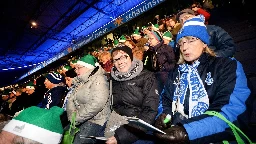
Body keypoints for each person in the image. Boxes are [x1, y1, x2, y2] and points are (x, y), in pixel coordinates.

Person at [154, 16, 254, 143]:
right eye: (181, 42)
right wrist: (163, 116)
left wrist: (187, 132)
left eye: (191, 40)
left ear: (204, 43)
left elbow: (233, 111)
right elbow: (165, 100)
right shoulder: (176, 72)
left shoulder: (227, 66)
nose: (184, 47)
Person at [106, 46, 159, 144]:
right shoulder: (112, 80)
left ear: (130, 57)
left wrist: (122, 136)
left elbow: (150, 111)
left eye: (123, 57)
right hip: (117, 124)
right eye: (116, 59)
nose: (120, 62)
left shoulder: (147, 77)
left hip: (139, 128)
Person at [66, 54, 110, 144]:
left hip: (96, 120)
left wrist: (77, 117)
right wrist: (72, 114)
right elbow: (70, 99)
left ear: (88, 68)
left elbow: (97, 103)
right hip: (82, 118)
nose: (76, 70)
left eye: (79, 68)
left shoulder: (99, 80)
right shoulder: (81, 81)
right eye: (75, 68)